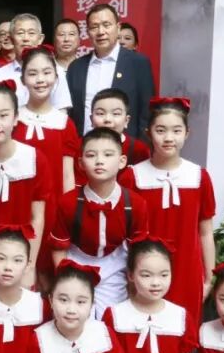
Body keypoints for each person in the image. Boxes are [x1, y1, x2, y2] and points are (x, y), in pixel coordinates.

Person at [126, 97, 216, 328]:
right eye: (160, 130)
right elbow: (126, 233)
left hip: (188, 270)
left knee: (184, 332)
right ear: (148, 133)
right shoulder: (133, 177)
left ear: (187, 133)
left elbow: (205, 231)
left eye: (176, 130)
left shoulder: (199, 176)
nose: (168, 138)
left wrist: (209, 277)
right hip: (145, 271)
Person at [49, 128, 149, 316]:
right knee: (74, 316)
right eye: (91, 155)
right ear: (80, 163)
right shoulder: (68, 202)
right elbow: (58, 248)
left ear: (122, 161)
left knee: (112, 320)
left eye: (108, 155)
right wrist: (65, 279)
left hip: (115, 267)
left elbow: (138, 252)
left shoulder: (135, 204)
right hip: (75, 264)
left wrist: (133, 286)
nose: (99, 161)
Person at [0, 79, 49, 288]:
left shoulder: (34, 159)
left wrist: (29, 266)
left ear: (16, 118)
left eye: (3, 115)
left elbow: (37, 217)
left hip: (21, 261)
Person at [68, 3, 155, 138]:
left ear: (118, 28)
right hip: (85, 145)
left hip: (126, 146)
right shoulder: (76, 67)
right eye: (94, 27)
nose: (101, 32)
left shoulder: (138, 63)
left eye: (106, 25)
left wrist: (141, 147)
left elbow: (146, 113)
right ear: (88, 32)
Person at [13, 46, 79, 195]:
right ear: (22, 79)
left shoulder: (64, 123)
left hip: (54, 200)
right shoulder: (14, 119)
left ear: (56, 77)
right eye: (32, 74)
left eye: (47, 72)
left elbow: (68, 175)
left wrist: (68, 204)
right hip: (19, 199)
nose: (40, 80)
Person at [0, 14, 72, 109]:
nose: (26, 38)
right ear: (11, 39)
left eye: (31, 33)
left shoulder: (56, 72)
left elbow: (62, 110)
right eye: (20, 33)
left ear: (40, 39)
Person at [74, 87, 150, 187]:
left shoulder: (139, 149)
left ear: (126, 120)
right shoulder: (78, 146)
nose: (108, 119)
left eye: (116, 114)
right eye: (100, 113)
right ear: (91, 119)